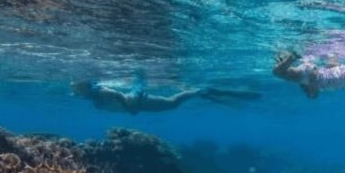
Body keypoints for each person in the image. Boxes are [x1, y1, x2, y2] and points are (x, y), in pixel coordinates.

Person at [273, 28, 345, 117]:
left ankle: (288, 59)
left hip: (311, 73)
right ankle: (291, 57)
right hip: (311, 75)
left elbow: (331, 67)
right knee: (278, 73)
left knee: (284, 75)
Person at [72, 74, 260, 114]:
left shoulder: (102, 91)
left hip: (140, 101)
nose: (76, 91)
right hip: (139, 104)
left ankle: (200, 91)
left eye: (79, 88)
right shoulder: (92, 96)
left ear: (87, 86)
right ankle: (198, 92)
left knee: (172, 102)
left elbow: (119, 96)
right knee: (172, 103)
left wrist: (129, 109)